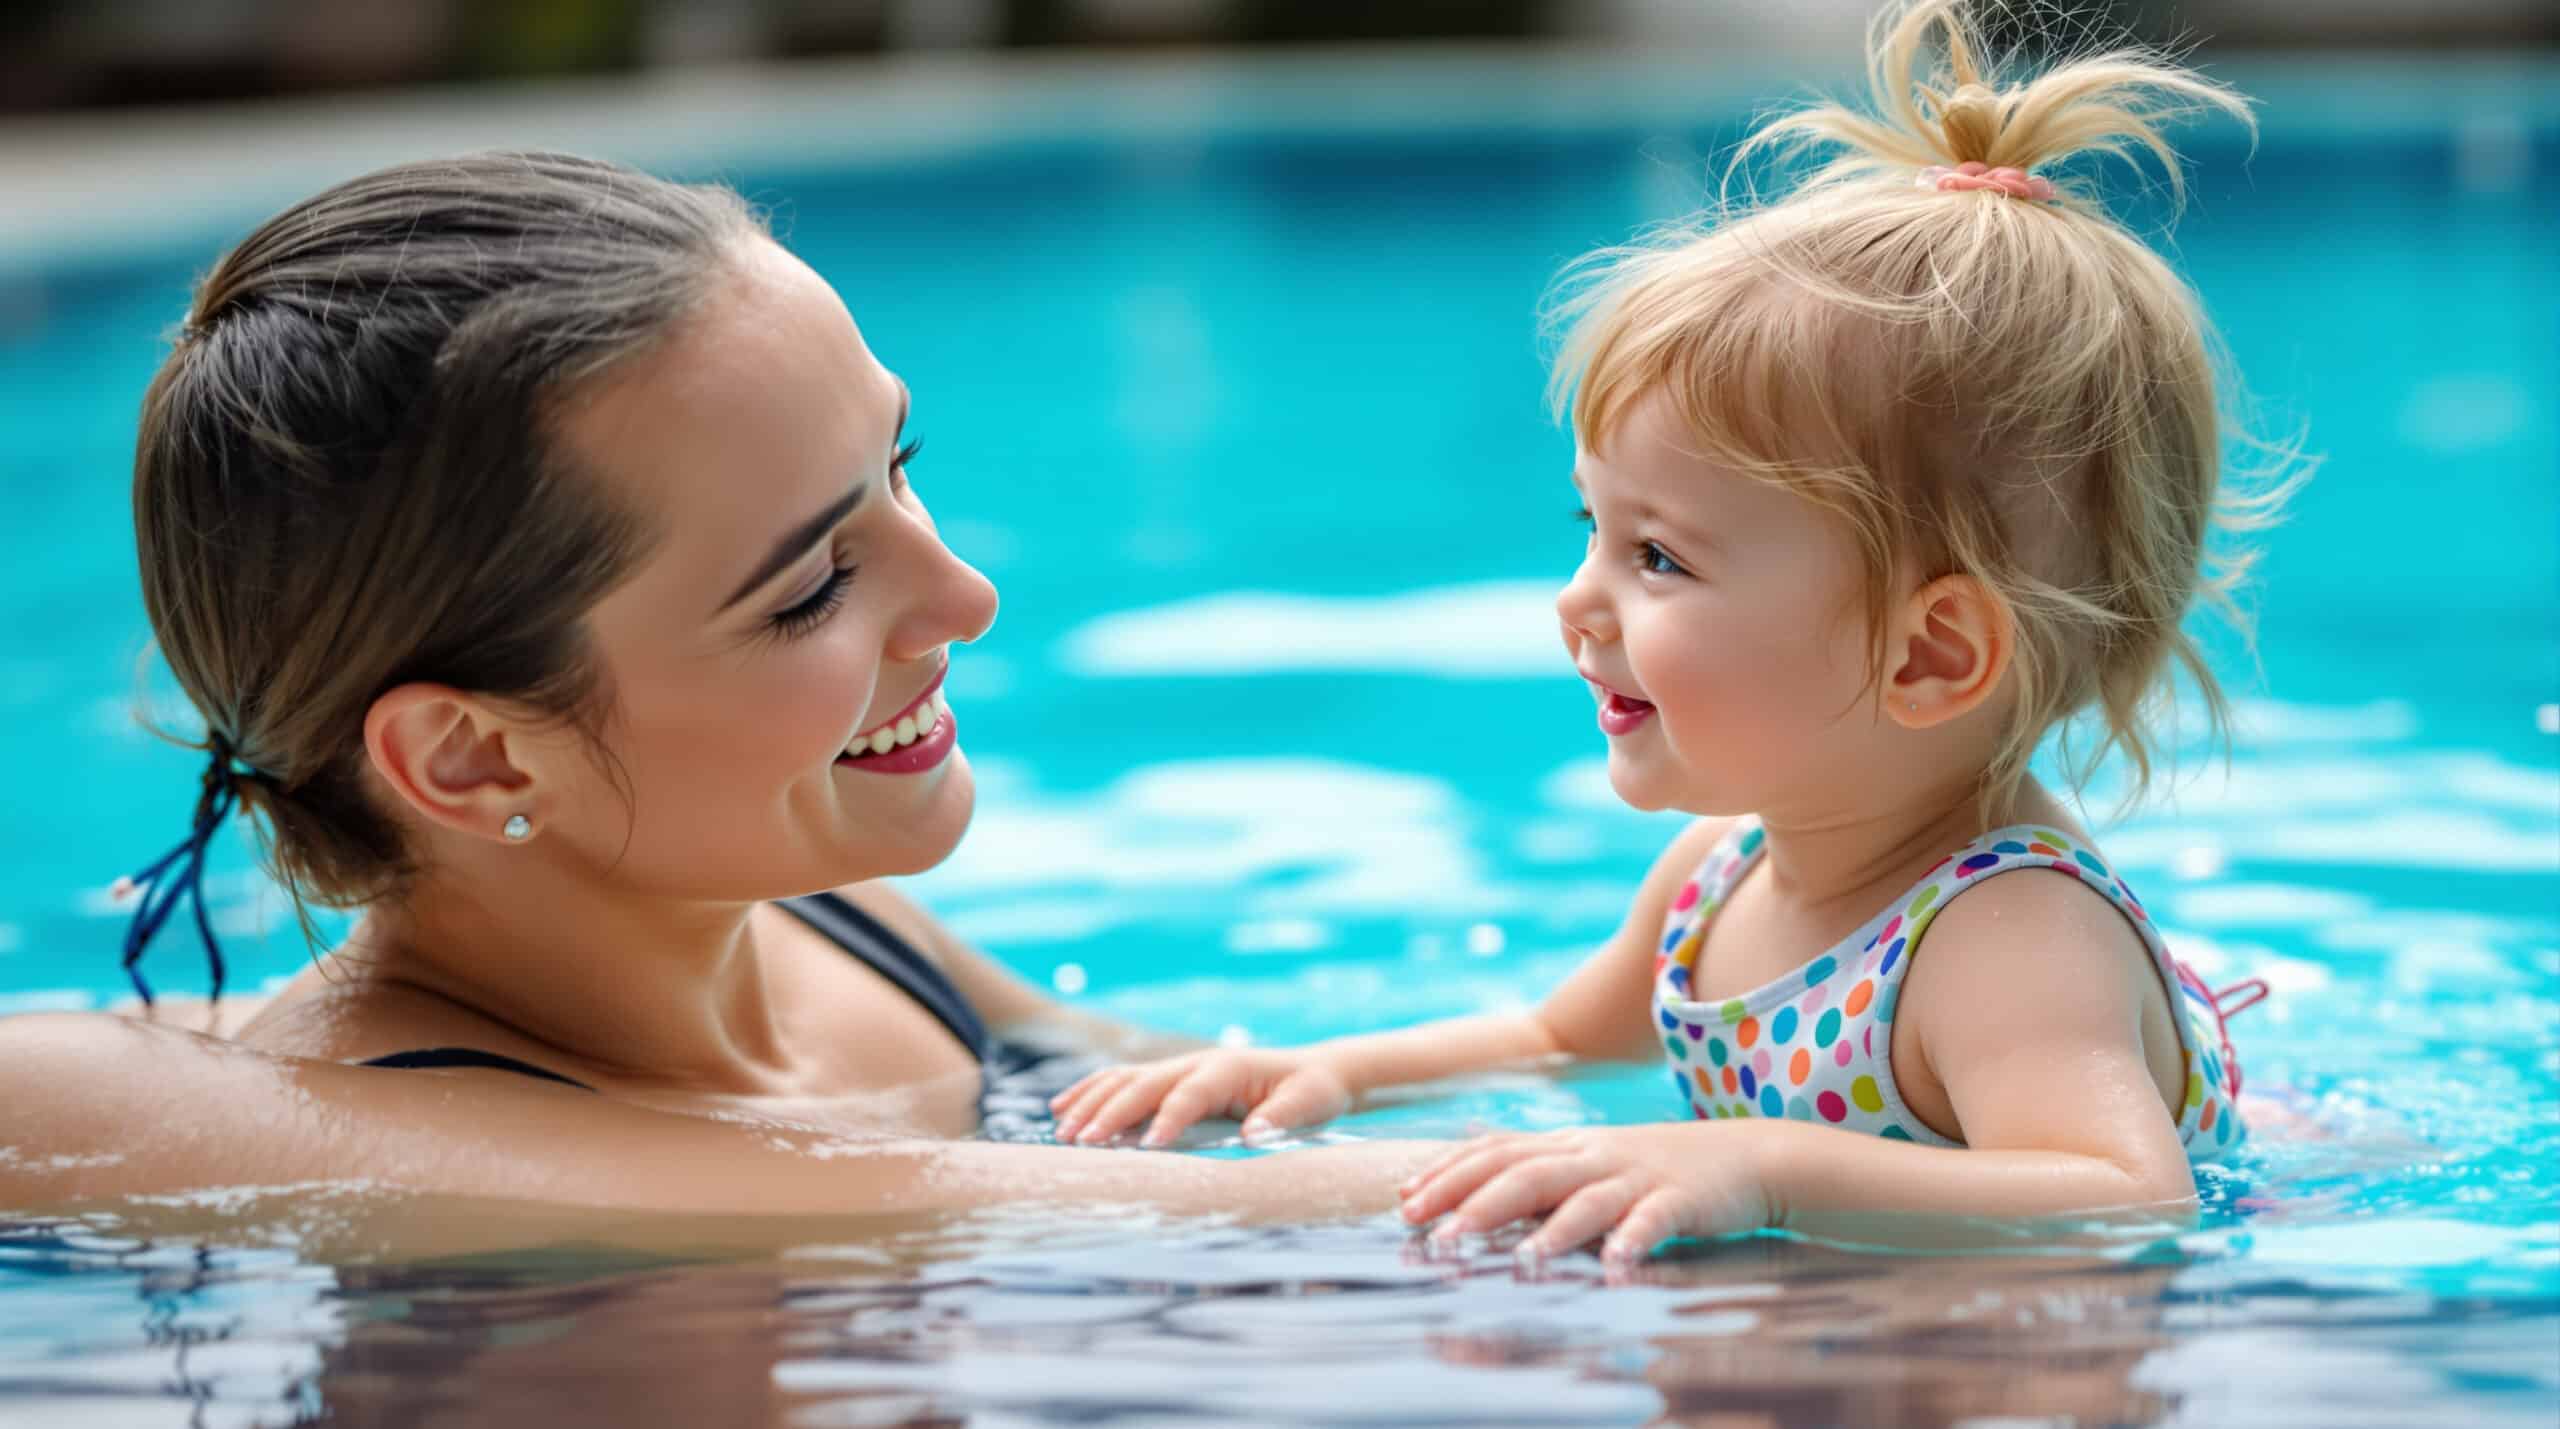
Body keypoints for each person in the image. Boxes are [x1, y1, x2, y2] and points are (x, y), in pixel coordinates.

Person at [1049, 0, 2295, 1265]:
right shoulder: (1719, 874)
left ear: (1927, 656)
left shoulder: (2007, 936)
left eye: (1657, 557)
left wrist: (1757, 1163)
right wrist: (1327, 1071)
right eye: (1591, 529)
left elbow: (2123, 1195)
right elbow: (1556, 1040)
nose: (1576, 601)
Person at [0, 150, 1433, 1239]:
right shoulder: (343, 1125)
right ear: (474, 758)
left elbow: (1292, 1108)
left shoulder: (836, 929)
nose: (965, 600)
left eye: (899, 468)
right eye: (812, 584)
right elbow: (1249, 1213)